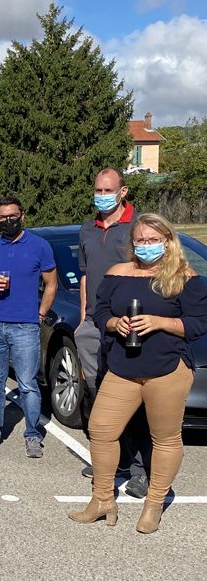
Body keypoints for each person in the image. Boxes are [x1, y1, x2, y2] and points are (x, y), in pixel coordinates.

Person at [68, 213, 207, 534]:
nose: (146, 246)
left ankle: (154, 504)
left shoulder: (186, 278)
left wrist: (161, 323)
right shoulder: (118, 273)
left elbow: (199, 324)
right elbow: (100, 311)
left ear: (168, 241)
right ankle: (102, 500)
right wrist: (116, 324)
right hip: (122, 366)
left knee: (166, 438)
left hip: (167, 369)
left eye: (153, 240)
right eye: (140, 240)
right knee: (101, 429)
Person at [77, 167, 151, 497]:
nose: (102, 195)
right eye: (98, 190)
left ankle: (139, 471)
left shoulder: (138, 229)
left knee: (131, 401)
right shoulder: (87, 230)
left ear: (123, 191)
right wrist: (82, 320)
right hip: (94, 326)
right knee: (101, 398)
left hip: (127, 327)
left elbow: (151, 271)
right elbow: (84, 277)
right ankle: (113, 460)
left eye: (108, 190)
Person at [0, 197, 57, 458]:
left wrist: (41, 313)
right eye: (2, 217)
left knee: (28, 384)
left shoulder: (39, 246)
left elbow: (51, 284)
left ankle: (33, 435)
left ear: (22, 215)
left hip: (25, 326)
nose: (8, 221)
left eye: (12, 216)